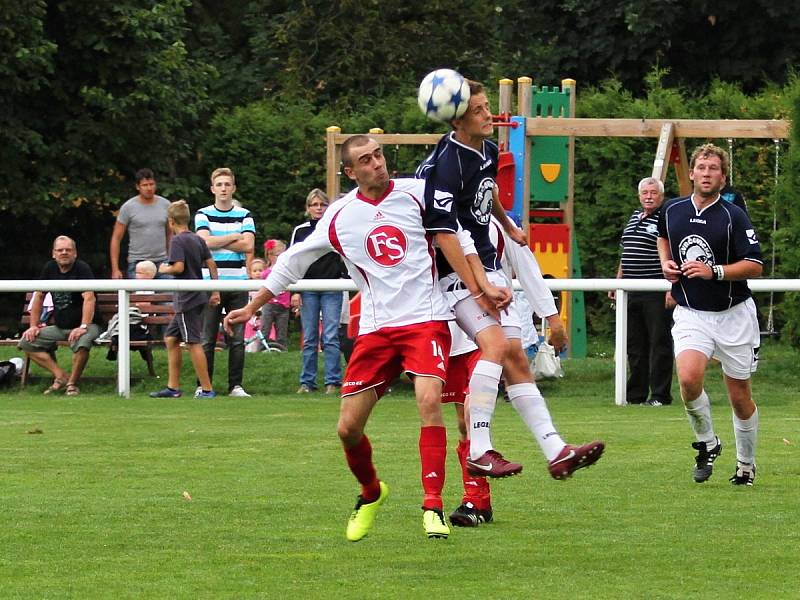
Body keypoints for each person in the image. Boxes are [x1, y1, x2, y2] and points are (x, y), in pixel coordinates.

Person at [224, 135, 482, 541]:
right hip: (377, 329)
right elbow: (294, 261)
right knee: (347, 429)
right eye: (366, 160)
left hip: (426, 319)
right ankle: (371, 491)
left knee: (429, 400)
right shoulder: (341, 215)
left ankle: (432, 506)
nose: (377, 164)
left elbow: (458, 235)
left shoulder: (419, 194)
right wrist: (253, 306)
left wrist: (480, 284)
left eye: (379, 155)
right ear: (350, 172)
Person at [418, 79, 604, 480]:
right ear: (457, 117)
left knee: (517, 357)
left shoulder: (485, 150)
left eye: (488, 107)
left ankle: (556, 451)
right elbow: (442, 232)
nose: (490, 116)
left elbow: (487, 193)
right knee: (497, 347)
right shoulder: (443, 166)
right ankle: (480, 449)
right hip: (458, 275)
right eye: (480, 110)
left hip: (490, 268)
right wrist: (477, 285)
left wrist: (507, 224)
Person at [445, 216, 574, 527]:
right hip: (452, 327)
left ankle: (474, 501)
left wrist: (553, 319)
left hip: (492, 328)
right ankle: (475, 500)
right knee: (462, 420)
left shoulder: (498, 224)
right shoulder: (439, 221)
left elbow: (528, 270)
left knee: (467, 414)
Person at [657, 143, 763, 486]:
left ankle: (746, 464)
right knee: (688, 379)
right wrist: (666, 265)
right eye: (701, 168)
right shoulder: (672, 209)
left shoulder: (734, 216)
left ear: (723, 177)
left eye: (713, 169)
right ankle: (707, 442)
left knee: (739, 396)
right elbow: (662, 236)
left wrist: (714, 271)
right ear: (691, 173)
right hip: (692, 312)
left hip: (733, 314)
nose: (706, 174)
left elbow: (755, 266)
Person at [610, 177, 674, 406]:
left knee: (660, 343)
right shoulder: (634, 217)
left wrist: (671, 287)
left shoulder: (666, 218)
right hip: (631, 289)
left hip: (656, 288)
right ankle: (635, 394)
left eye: (653, 192)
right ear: (639, 196)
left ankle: (660, 395)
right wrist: (618, 283)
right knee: (634, 345)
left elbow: (672, 253)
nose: (648, 196)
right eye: (645, 192)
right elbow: (626, 252)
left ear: (661, 196)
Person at [195, 167, 255, 398]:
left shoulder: (245, 214)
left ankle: (235, 386)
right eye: (219, 185)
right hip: (211, 282)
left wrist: (216, 240)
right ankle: (204, 385)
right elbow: (203, 243)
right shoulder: (203, 213)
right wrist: (232, 237)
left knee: (237, 339)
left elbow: (248, 246)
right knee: (207, 338)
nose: (223, 189)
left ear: (233, 187)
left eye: (227, 184)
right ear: (212, 188)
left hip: (238, 282)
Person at [150, 201, 220, 399]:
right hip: (198, 295)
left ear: (171, 221)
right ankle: (173, 387)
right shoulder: (198, 239)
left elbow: (178, 267)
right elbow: (211, 264)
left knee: (193, 342)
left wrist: (163, 268)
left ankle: (207, 389)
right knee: (171, 338)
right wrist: (215, 290)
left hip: (186, 298)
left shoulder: (177, 241)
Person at [18, 236, 102, 396]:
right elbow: (39, 296)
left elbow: (89, 298)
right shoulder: (49, 268)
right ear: (53, 253)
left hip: (87, 325)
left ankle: (72, 384)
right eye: (60, 250)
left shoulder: (82, 268)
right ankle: (61, 376)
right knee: (27, 342)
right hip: (60, 326)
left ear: (75, 253)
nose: (64, 253)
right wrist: (33, 326)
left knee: (83, 342)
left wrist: (83, 326)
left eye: (68, 250)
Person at [289, 189, 345, 394]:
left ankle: (333, 381)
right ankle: (307, 382)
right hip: (307, 288)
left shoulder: (335, 228)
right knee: (310, 337)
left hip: (332, 287)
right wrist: (295, 290)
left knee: (331, 336)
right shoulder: (301, 231)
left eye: (322, 205)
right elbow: (292, 260)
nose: (318, 208)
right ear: (308, 208)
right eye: (314, 205)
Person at [109, 168, 172, 279]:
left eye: (151, 184)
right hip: (137, 262)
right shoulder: (128, 207)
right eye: (145, 185)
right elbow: (116, 238)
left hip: (162, 261)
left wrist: (172, 260)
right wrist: (115, 269)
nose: (149, 188)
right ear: (138, 187)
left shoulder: (166, 205)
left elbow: (170, 234)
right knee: (140, 296)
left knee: (169, 295)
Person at [261, 240, 291, 350]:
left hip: (283, 306)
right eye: (278, 255)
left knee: (282, 331)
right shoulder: (266, 273)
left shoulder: (287, 271)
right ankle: (262, 348)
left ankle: (282, 349)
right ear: (270, 256)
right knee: (265, 329)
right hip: (269, 304)